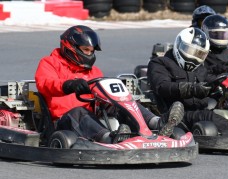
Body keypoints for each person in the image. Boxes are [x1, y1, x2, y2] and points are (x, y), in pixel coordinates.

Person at [35, 25, 183, 144]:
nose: (90, 54)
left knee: (122, 103)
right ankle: (108, 139)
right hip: (64, 121)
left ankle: (157, 123)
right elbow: (45, 84)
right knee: (79, 112)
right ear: (71, 47)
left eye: (92, 51)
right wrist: (69, 85)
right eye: (86, 50)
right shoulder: (49, 63)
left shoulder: (94, 72)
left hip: (92, 118)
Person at [147, 27, 228, 134]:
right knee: (207, 115)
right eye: (190, 50)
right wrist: (193, 89)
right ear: (179, 45)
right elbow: (161, 86)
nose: (194, 56)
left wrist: (223, 86)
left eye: (199, 53)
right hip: (176, 114)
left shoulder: (199, 67)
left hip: (199, 109)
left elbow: (210, 80)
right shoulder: (160, 63)